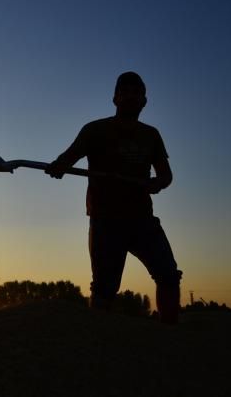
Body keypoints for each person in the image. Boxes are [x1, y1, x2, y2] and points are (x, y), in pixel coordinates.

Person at [44, 71, 182, 324]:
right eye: (125, 92)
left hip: (142, 220)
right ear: (115, 98)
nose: (131, 97)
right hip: (105, 220)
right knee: (104, 289)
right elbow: (69, 157)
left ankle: (169, 331)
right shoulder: (95, 130)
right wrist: (59, 166)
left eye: (136, 93)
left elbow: (165, 175)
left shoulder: (151, 135)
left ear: (144, 101)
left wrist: (156, 184)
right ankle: (98, 343)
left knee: (168, 275)